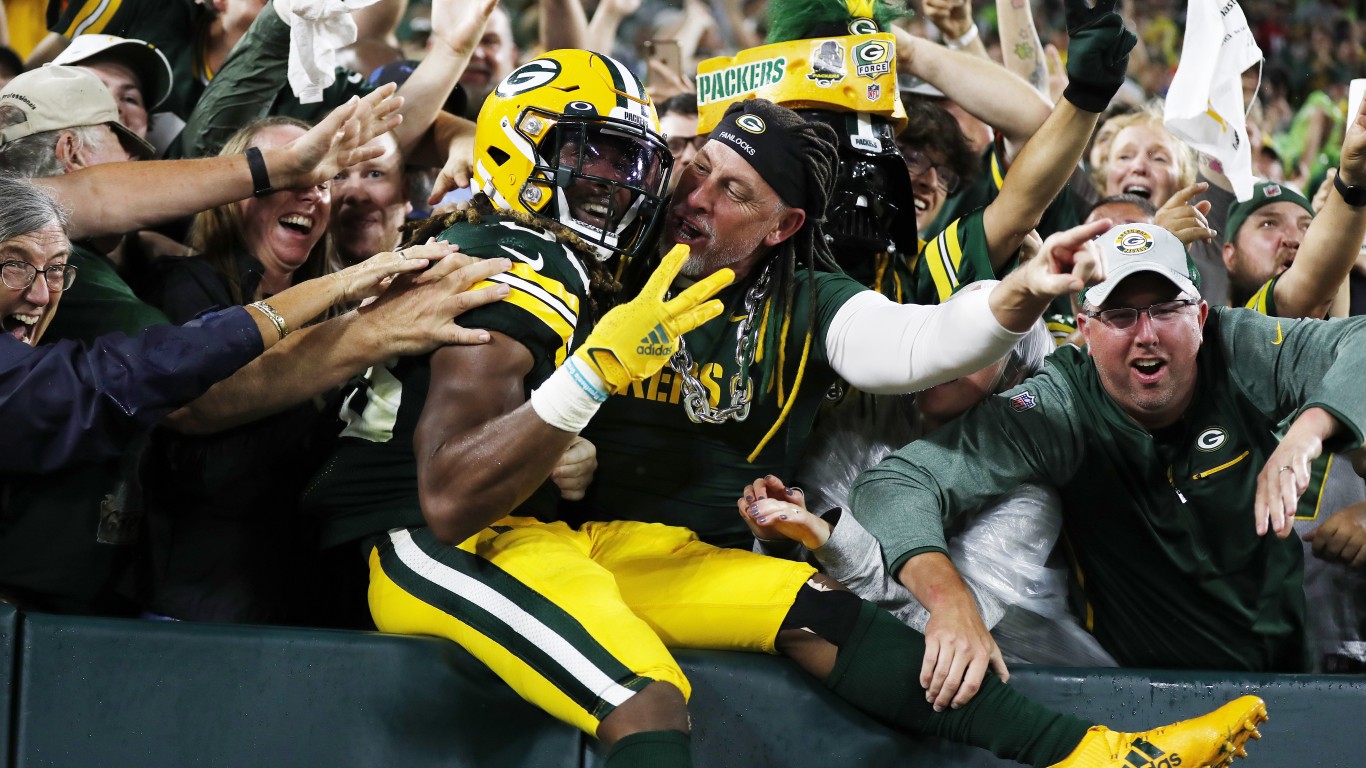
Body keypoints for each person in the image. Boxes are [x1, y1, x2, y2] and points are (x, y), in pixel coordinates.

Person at [307, 50, 1267, 768]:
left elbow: (916, 346)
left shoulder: (803, 299)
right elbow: (456, 472)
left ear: (784, 226)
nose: (689, 194)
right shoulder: (585, 247)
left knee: (817, 612)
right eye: (697, 168)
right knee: (645, 692)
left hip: (618, 541)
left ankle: (1098, 756)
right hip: (482, 530)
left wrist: (1018, 295)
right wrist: (582, 384)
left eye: (736, 190)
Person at [852, 221, 1366, 676]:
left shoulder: (1239, 349)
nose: (1146, 335)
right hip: (1147, 695)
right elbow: (896, 484)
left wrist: (1306, 431)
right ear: (1085, 329)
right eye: (1120, 315)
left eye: (1166, 309)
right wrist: (950, 601)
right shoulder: (1060, 406)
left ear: (1201, 317)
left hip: (1291, 675)